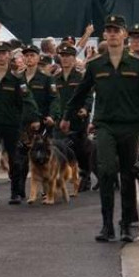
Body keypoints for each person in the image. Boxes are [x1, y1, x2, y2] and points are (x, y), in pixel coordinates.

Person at [64, 15, 139, 243]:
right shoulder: (95, 65)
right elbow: (80, 93)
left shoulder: (138, 64)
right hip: (105, 125)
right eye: (109, 30)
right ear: (104, 35)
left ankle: (126, 224)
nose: (113, 34)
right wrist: (67, 116)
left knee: (129, 174)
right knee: (107, 171)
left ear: (124, 34)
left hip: (131, 126)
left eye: (117, 30)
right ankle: (107, 225)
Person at [0, 41, 40, 206]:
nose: (0, 57)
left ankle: (15, 191)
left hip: (12, 124)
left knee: (14, 158)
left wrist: (34, 118)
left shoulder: (17, 79)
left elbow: (27, 100)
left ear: (9, 55)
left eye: (4, 53)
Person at [52, 42, 92, 188]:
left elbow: (89, 96)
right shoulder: (55, 78)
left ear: (74, 58)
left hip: (77, 119)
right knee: (59, 149)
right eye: (62, 56)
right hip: (60, 119)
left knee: (80, 150)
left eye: (68, 56)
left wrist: (85, 109)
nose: (65, 59)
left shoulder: (81, 77)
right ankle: (59, 179)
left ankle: (85, 176)